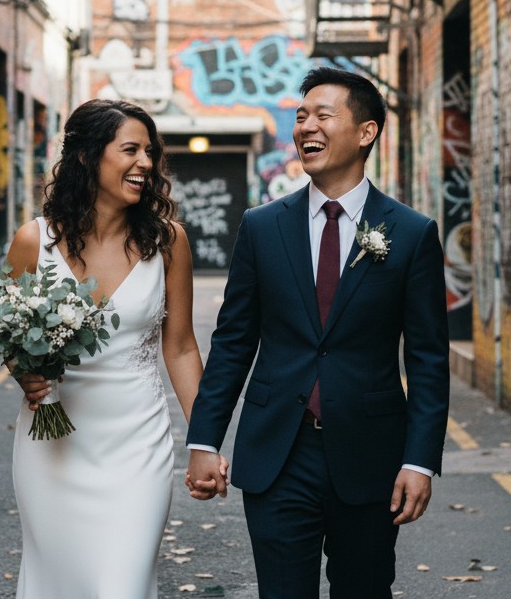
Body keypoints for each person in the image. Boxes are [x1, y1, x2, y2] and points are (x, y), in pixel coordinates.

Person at [186, 67, 450, 598]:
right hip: (278, 452)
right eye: (301, 116)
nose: (306, 126)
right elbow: (233, 341)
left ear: (366, 132)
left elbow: (428, 360)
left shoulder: (411, 233)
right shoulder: (262, 227)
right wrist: (203, 440)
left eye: (323, 115)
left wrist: (419, 460)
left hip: (370, 455)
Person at [4, 99, 221, 598]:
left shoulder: (168, 243)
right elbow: (8, 336)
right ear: (86, 156)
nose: (146, 162)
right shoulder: (33, 242)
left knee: (122, 586)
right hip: (52, 447)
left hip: (136, 446)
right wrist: (24, 372)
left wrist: (205, 442)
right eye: (130, 149)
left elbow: (181, 349)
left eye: (150, 152)